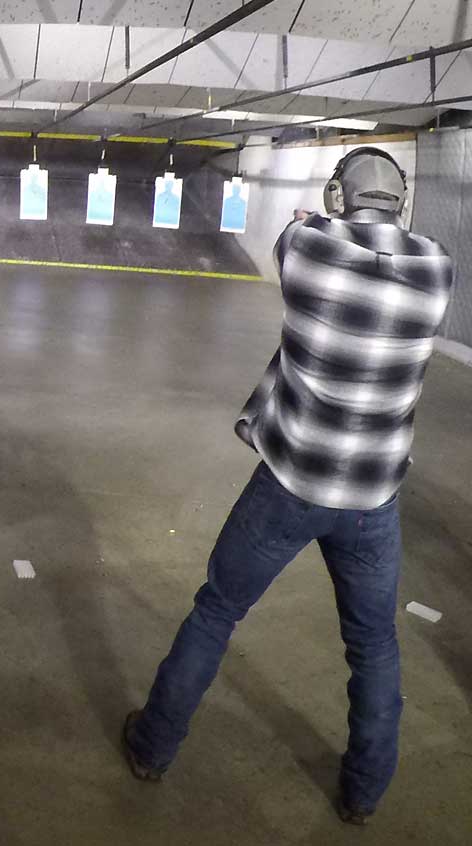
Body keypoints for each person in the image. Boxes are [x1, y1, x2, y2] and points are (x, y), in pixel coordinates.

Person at [122, 147, 456, 826]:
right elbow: (409, 247)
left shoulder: (308, 248)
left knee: (216, 611)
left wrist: (319, 219)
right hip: (372, 500)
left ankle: (153, 747)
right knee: (374, 647)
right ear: (403, 200)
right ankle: (363, 794)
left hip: (290, 483)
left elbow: (299, 235)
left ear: (339, 198)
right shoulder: (437, 270)